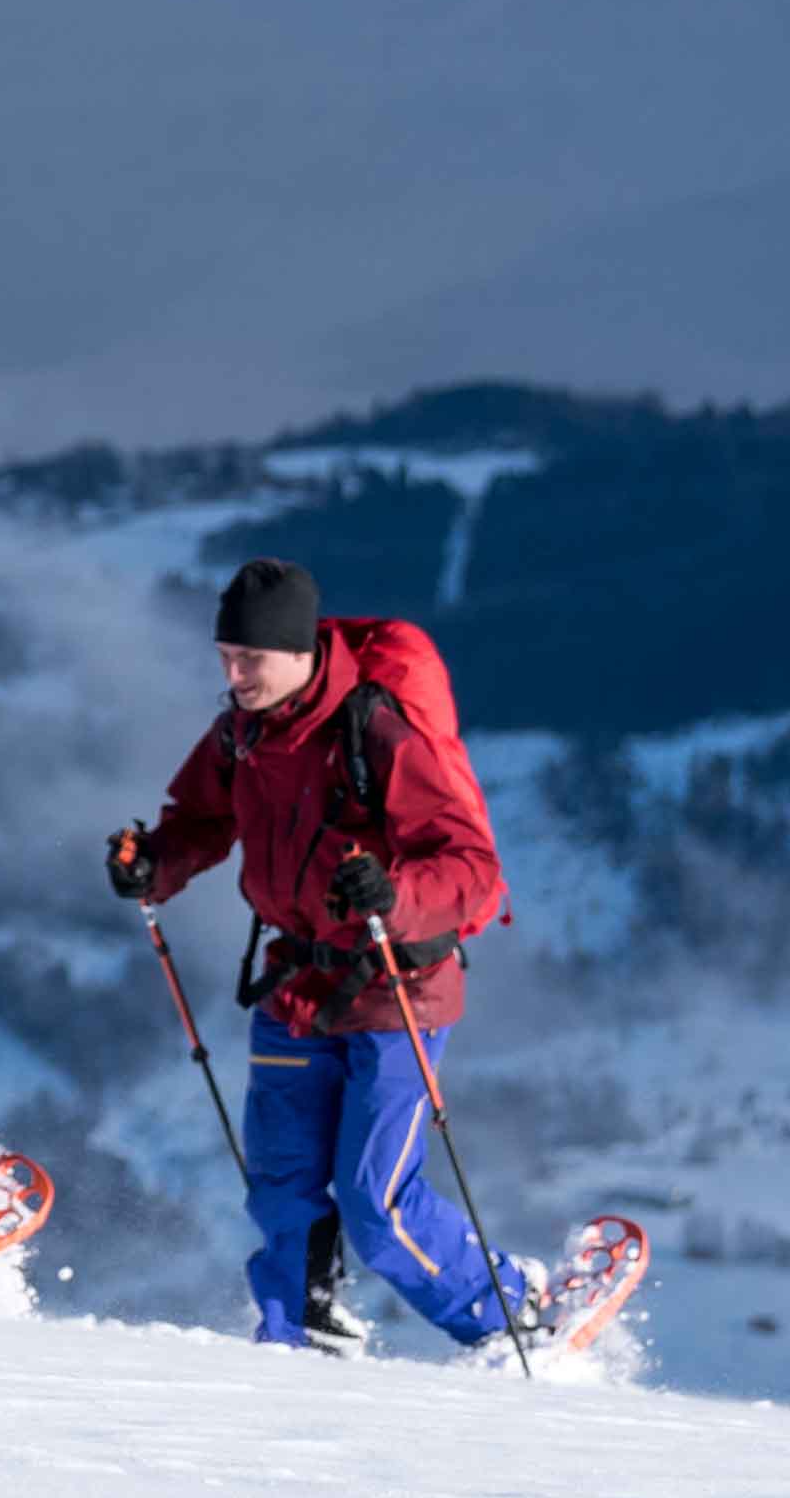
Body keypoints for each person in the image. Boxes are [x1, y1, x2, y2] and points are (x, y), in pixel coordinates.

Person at [107, 556, 535, 1353]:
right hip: (296, 984)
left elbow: (471, 867)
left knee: (378, 1206)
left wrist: (393, 894)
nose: (234, 676)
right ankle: (297, 1333)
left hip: (395, 988)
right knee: (282, 1185)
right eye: (225, 657)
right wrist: (153, 864)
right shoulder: (241, 732)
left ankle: (515, 1320)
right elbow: (199, 819)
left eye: (250, 658)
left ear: (301, 652)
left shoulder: (376, 729)